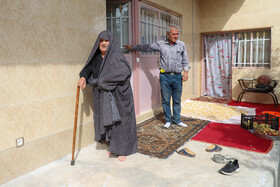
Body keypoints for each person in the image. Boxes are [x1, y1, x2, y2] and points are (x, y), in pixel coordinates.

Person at [78, 30, 137, 162]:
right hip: (104, 95)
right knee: (111, 122)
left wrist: (103, 81)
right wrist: (83, 77)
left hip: (119, 95)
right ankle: (114, 147)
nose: (104, 43)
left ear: (111, 43)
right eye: (101, 41)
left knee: (121, 122)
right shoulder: (96, 57)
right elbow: (87, 69)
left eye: (106, 40)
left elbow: (125, 72)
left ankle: (123, 150)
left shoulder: (116, 56)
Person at [123, 25, 190, 128]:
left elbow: (185, 60)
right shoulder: (161, 44)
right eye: (173, 34)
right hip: (165, 77)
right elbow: (147, 47)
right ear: (168, 34)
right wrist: (133, 47)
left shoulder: (181, 45)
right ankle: (168, 120)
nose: (176, 36)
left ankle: (177, 120)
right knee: (166, 99)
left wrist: (186, 72)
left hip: (177, 77)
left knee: (177, 100)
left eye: (177, 34)